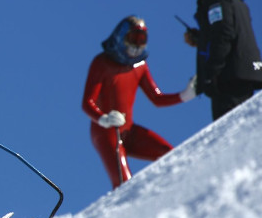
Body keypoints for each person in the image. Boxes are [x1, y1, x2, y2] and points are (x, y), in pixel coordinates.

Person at [82, 16, 196, 189]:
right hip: (107, 133)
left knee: (170, 155)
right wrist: (104, 118)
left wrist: (185, 95)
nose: (136, 45)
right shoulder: (102, 63)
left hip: (129, 130)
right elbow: (87, 102)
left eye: (141, 40)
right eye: (133, 38)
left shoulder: (140, 66)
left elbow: (156, 98)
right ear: (121, 37)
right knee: (123, 183)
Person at [179, 0, 262, 120]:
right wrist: (201, 39)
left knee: (231, 131)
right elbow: (229, 30)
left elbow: (223, 33)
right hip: (242, 70)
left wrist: (212, 72)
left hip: (229, 77)